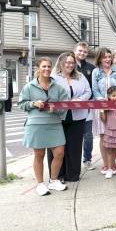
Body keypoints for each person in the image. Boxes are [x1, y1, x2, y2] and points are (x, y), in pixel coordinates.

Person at [18, 57, 68, 196]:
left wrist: (56, 109)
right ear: (38, 68)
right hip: (36, 124)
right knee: (39, 154)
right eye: (44, 66)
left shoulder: (58, 87)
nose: (46, 69)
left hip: (54, 123)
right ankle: (40, 184)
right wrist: (33, 103)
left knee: (59, 153)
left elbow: (65, 105)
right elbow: (21, 104)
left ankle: (53, 181)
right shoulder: (29, 86)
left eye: (48, 67)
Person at [49, 52, 91, 182]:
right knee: (57, 147)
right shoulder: (54, 77)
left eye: (72, 62)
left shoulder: (80, 76)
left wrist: (79, 99)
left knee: (74, 146)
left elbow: (88, 91)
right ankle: (58, 175)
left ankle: (72, 175)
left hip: (77, 116)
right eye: (67, 62)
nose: (70, 65)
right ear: (61, 62)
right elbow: (49, 93)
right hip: (58, 117)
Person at [92, 48, 116, 174]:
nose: (107, 59)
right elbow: (95, 90)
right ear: (99, 59)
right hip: (102, 107)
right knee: (104, 136)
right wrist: (103, 101)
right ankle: (107, 165)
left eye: (109, 57)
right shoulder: (96, 72)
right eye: (104, 57)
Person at [74, 41, 96, 171]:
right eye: (80, 51)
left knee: (88, 135)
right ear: (75, 51)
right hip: (71, 107)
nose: (82, 53)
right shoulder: (68, 65)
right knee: (74, 135)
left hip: (87, 106)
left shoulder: (91, 68)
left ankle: (87, 159)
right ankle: (73, 160)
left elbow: (93, 88)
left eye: (85, 51)